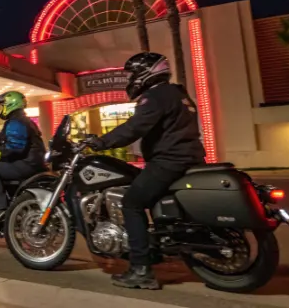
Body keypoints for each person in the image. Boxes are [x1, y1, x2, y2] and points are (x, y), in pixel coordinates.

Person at [87, 52, 206, 290]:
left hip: (169, 161)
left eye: (133, 73)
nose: (131, 79)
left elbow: (135, 127)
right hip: (189, 158)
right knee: (153, 200)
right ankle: (155, 251)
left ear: (146, 72)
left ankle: (141, 269)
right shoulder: (177, 94)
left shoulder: (155, 96)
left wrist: (101, 142)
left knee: (131, 203)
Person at [0, 91, 47, 224]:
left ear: (10, 104)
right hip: (33, 162)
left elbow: (14, 147)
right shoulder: (21, 120)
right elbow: (6, 141)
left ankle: (0, 208)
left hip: (27, 163)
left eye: (3, 105)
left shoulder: (16, 121)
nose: (2, 108)